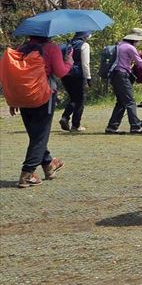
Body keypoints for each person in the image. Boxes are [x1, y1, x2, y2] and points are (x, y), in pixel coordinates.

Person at [6, 35, 70, 187]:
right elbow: (61, 72)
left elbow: (14, 75)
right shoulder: (51, 48)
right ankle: (27, 174)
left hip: (23, 96)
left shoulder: (22, 49)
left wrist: (14, 100)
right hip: (44, 95)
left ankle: (49, 165)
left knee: (36, 134)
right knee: (40, 136)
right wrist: (69, 62)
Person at [106, 29, 142, 134]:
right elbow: (140, 63)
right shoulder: (130, 48)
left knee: (121, 102)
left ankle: (112, 127)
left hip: (115, 75)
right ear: (135, 40)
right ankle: (135, 126)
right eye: (140, 41)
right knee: (130, 102)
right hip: (122, 75)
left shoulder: (120, 45)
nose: (140, 43)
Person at [58, 31, 92, 132]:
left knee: (74, 98)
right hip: (77, 74)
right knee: (80, 100)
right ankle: (75, 125)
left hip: (65, 74)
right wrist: (88, 78)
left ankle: (65, 117)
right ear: (85, 35)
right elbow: (85, 63)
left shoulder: (67, 44)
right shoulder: (84, 45)